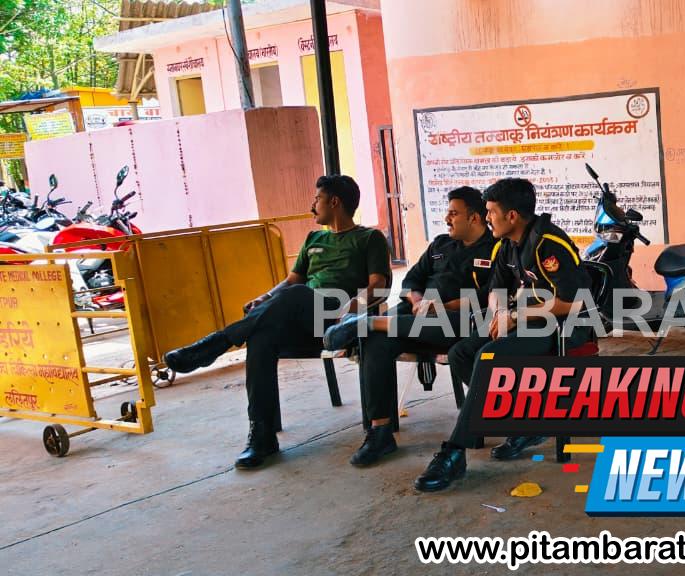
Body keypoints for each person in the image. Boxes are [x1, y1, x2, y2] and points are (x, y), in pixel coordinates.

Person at [163, 175, 391, 469]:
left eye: (317, 199)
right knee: (261, 338)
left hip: (339, 320)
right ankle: (262, 436)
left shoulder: (368, 238)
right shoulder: (314, 239)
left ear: (334, 202)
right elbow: (291, 280)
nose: (312, 206)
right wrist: (265, 297)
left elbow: (378, 285)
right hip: (303, 319)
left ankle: (217, 343)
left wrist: (349, 308)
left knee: (296, 295)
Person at [415, 177, 591, 493]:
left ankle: (454, 452)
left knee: (489, 357)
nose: (487, 218)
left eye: (492, 212)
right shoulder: (505, 245)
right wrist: (500, 314)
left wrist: (515, 316)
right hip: (523, 322)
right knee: (460, 354)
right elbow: (495, 292)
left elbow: (573, 302)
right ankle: (525, 422)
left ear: (512, 215)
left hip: (564, 327)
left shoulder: (549, 244)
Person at [322, 186, 499, 468]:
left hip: (458, 323)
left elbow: (489, 296)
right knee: (376, 340)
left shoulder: (496, 249)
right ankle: (380, 432)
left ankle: (367, 323)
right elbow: (411, 280)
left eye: (454, 213)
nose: (447, 219)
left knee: (383, 328)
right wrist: (417, 301)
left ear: (475, 218)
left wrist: (442, 306)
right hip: (415, 317)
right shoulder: (440, 245)